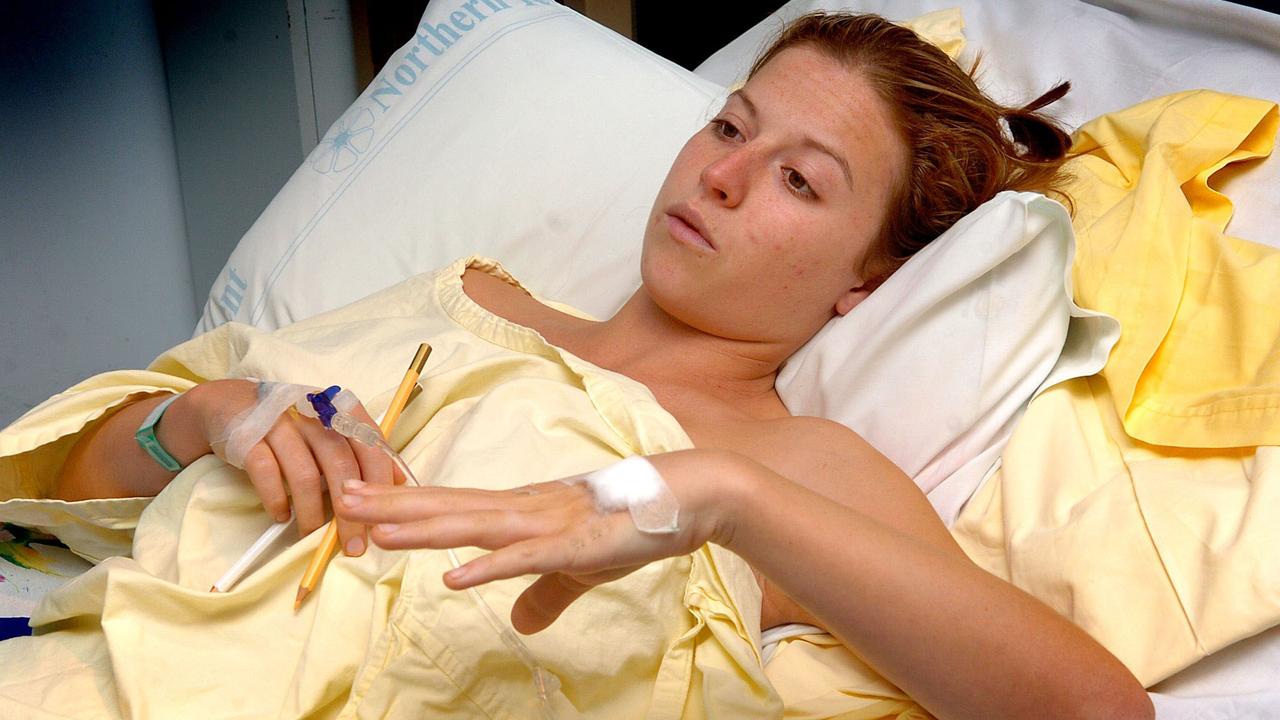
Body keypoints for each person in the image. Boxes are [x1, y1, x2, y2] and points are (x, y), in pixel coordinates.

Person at [25, 12, 1150, 719]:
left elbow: (1089, 710)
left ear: (859, 285)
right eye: (728, 128)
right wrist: (214, 416)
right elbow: (70, 491)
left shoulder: (793, 469)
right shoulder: (465, 303)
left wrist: (718, 496)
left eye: (799, 181)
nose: (721, 177)